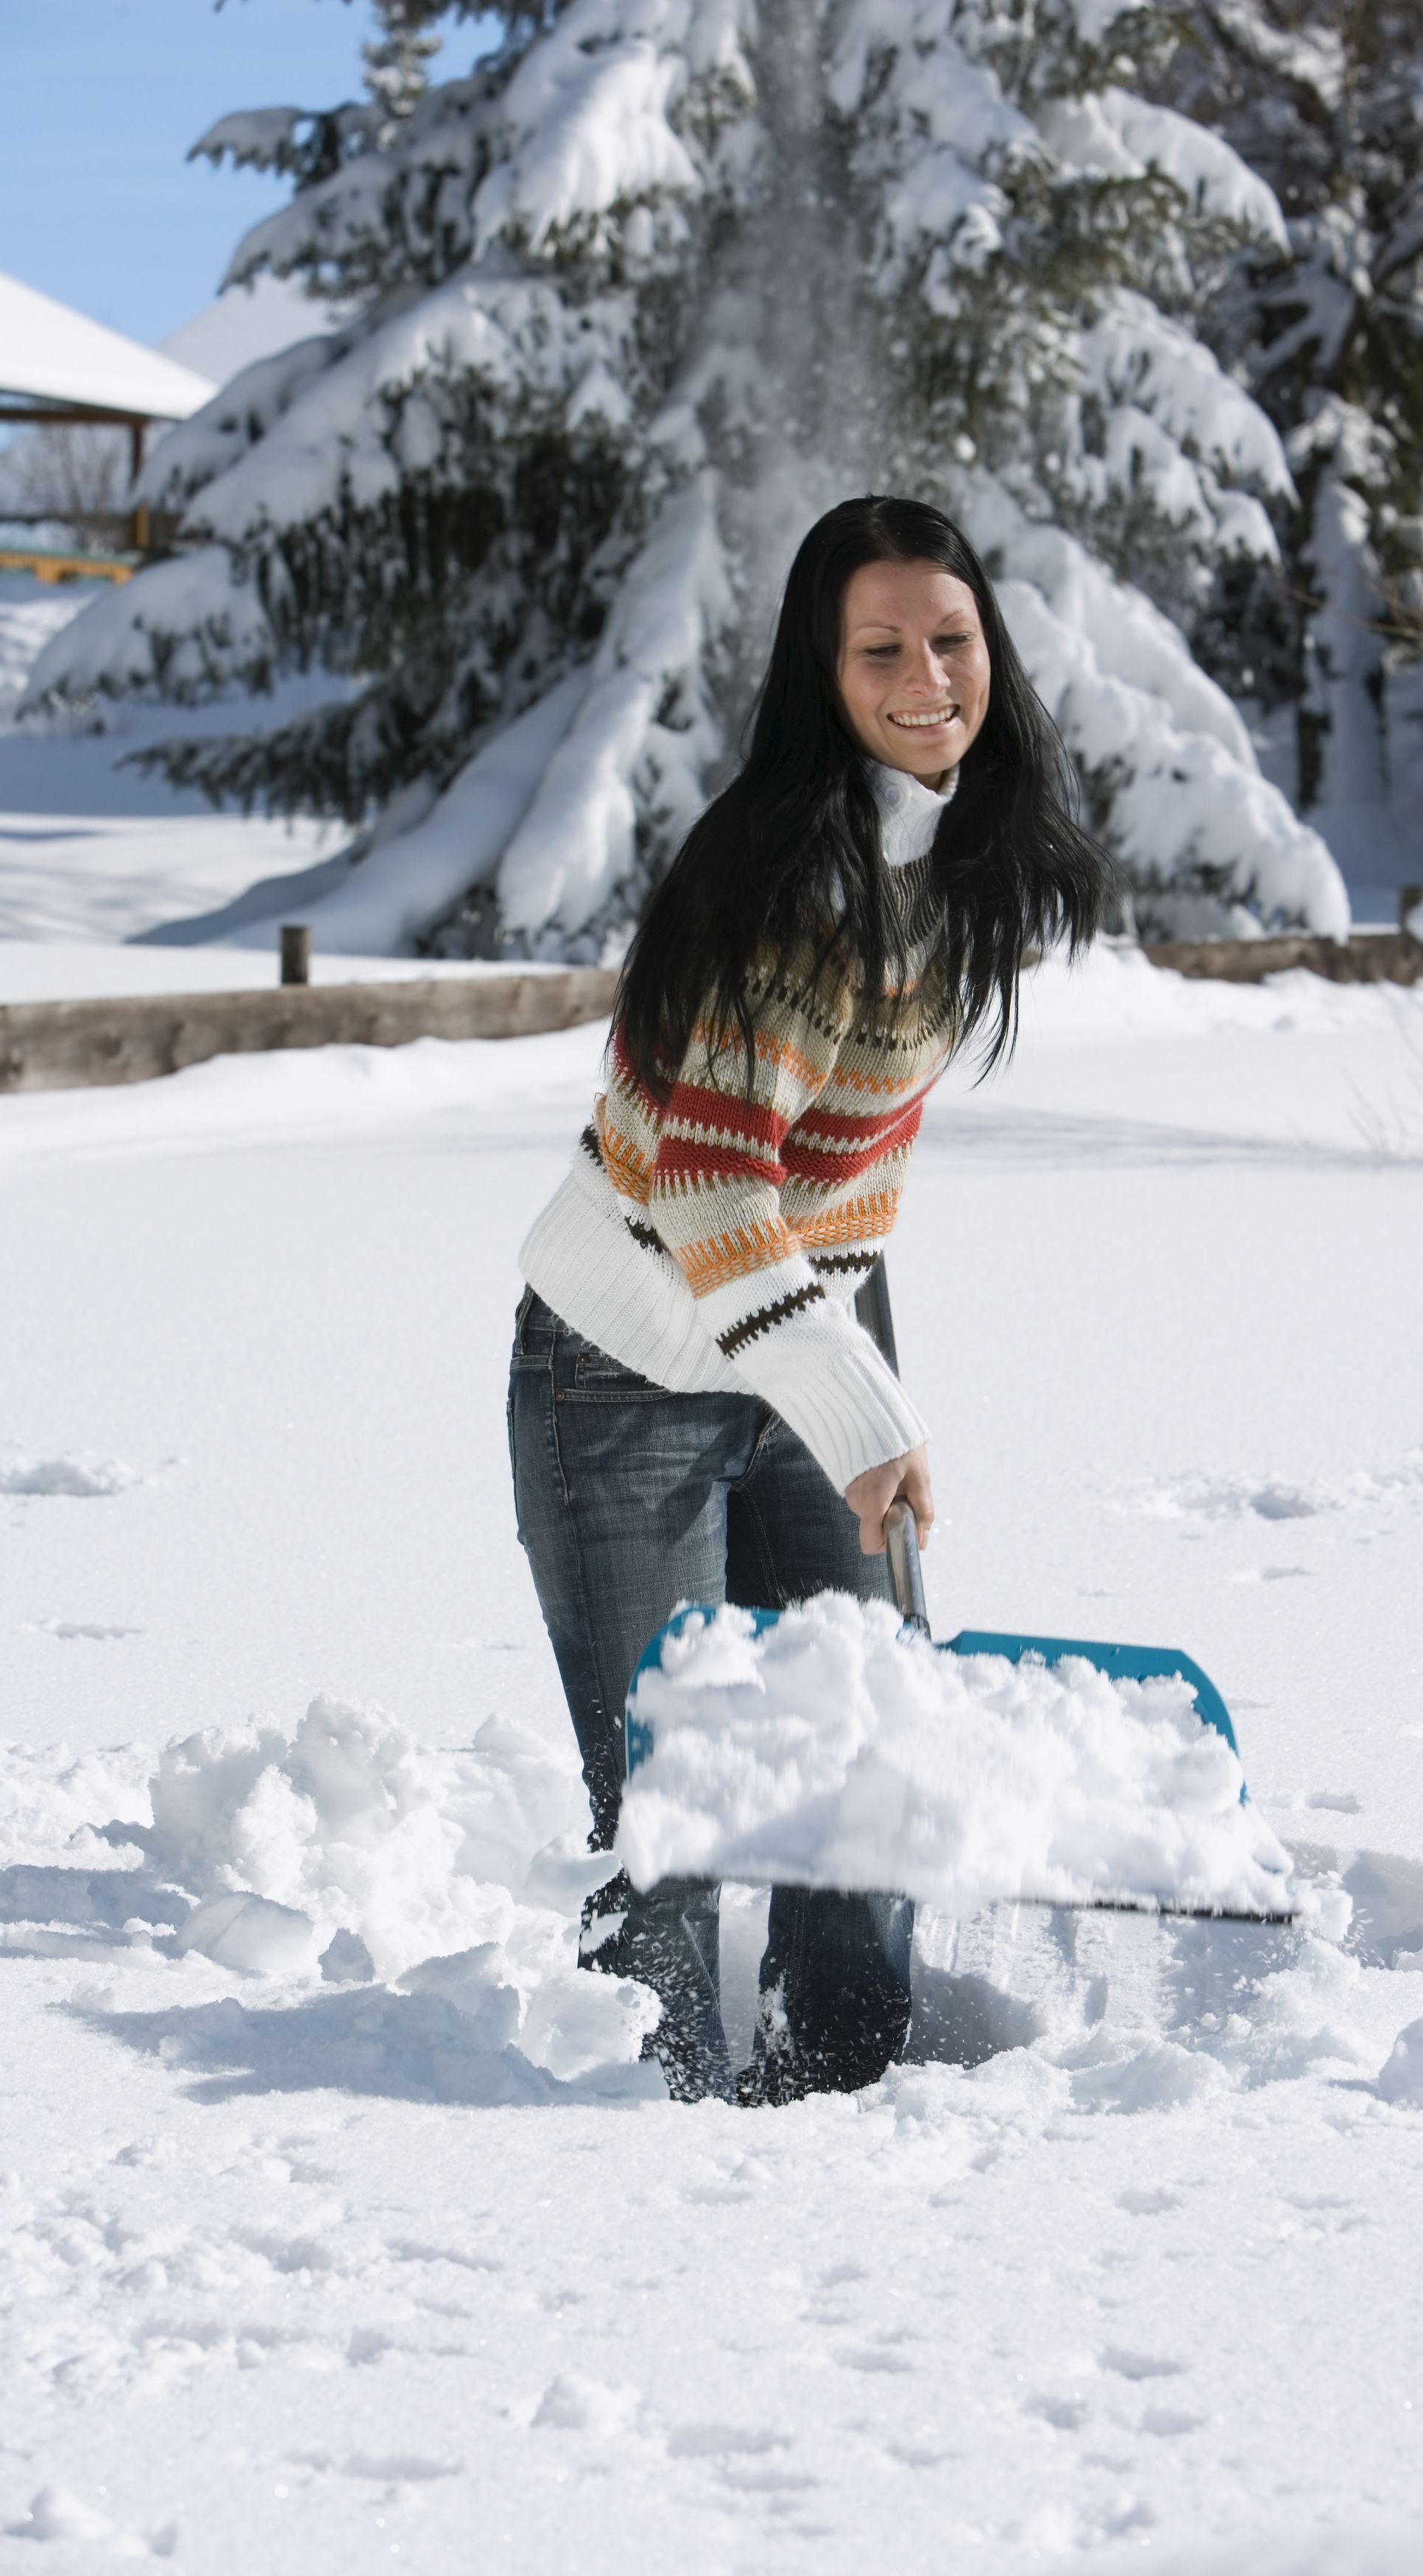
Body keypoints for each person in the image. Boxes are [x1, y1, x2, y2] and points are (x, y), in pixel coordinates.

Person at [507, 493, 1113, 2103]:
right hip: (621, 1372)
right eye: (881, 650)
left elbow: (829, 1189)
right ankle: (650, 2130)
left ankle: (853, 2097)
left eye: (952, 637)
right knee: (681, 1802)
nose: (928, 676)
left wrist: (855, 1369)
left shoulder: (944, 851)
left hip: (793, 1338)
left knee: (869, 1762)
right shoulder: (790, 878)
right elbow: (711, 1182)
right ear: (819, 674)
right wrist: (864, 1413)